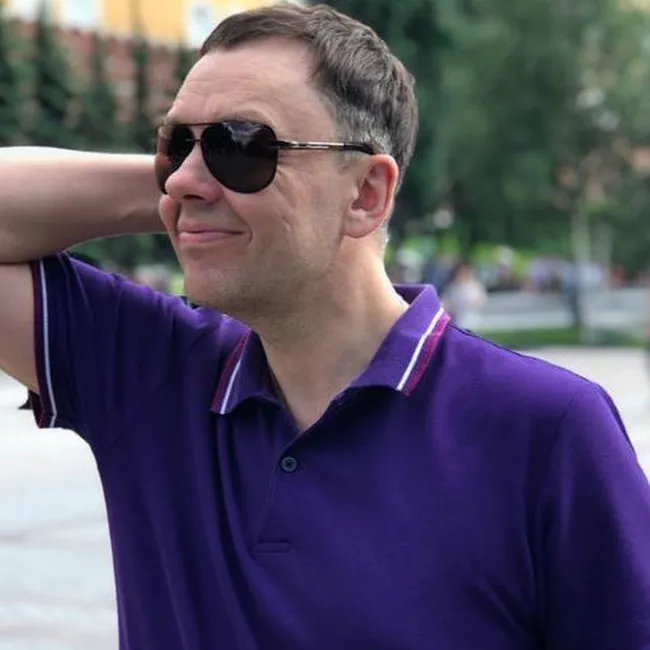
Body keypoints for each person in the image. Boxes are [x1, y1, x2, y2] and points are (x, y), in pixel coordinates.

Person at [0, 4, 648, 649]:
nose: (186, 180)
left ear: (367, 194)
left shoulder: (546, 428)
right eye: (176, 144)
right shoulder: (153, 375)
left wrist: (223, 192)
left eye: (242, 145)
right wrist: (195, 188)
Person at [440, 259, 487, 330]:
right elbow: (446, 303)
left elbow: (480, 301)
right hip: (457, 321)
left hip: (473, 320)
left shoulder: (475, 286)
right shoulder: (452, 287)